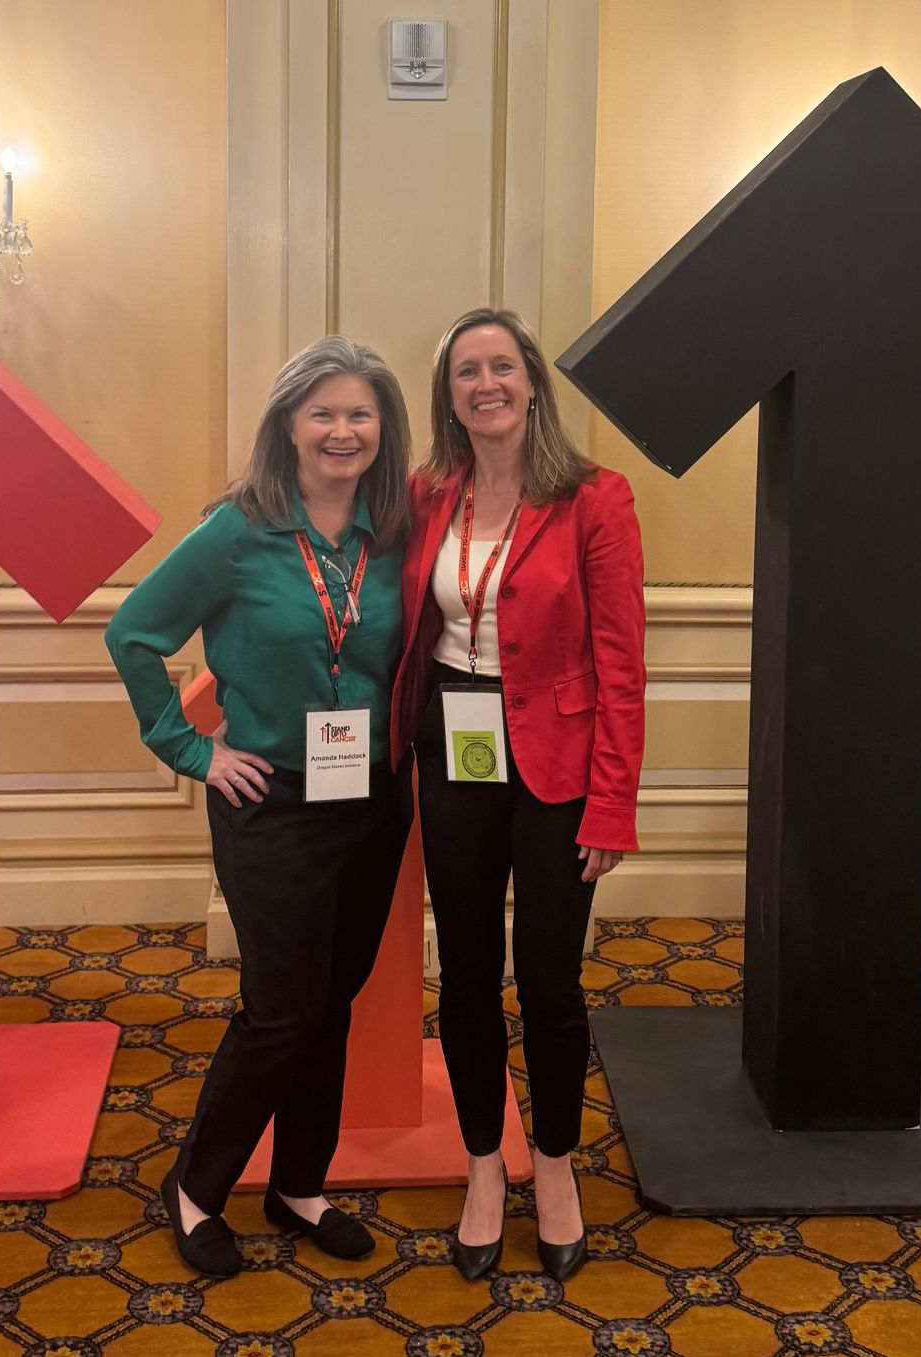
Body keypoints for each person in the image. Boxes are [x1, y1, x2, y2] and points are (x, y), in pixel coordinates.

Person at [106, 336, 413, 1279]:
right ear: (286, 424)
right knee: (280, 1007)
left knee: (331, 1002)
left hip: (372, 799)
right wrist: (192, 749)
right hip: (271, 801)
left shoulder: (396, 529)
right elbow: (134, 632)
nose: (341, 430)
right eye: (321, 412)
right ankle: (197, 1186)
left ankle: (300, 1185)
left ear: (382, 430)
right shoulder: (238, 530)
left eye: (360, 413)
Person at [390, 308, 646, 1282]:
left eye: (502, 366)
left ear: (533, 383)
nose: (485, 383)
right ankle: (485, 1166)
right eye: (467, 372)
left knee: (548, 980)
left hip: (559, 763)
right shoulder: (426, 495)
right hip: (452, 746)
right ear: (449, 395)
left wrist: (612, 804)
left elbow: (622, 663)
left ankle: (555, 1165)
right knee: (462, 973)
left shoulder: (594, 498)